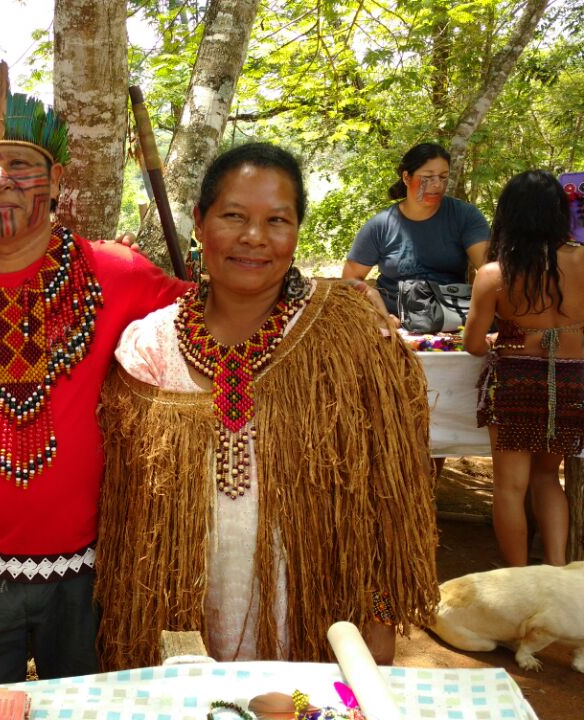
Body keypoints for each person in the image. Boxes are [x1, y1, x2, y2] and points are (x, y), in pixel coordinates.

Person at [0, 70, 191, 687]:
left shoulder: (118, 275)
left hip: (97, 569)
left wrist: (326, 300)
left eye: (21, 164)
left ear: (56, 179)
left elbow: (217, 318)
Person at [95, 143, 438, 668]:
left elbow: (388, 503)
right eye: (234, 216)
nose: (254, 238)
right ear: (200, 223)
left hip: (322, 625)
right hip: (184, 629)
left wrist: (380, 621)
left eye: (277, 220)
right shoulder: (149, 348)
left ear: (297, 229)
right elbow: (127, 515)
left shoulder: (349, 338)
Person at [465, 170, 584, 568]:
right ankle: (556, 571)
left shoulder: (495, 274)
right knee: (549, 478)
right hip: (572, 381)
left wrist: (507, 337)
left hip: (516, 382)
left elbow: (473, 344)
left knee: (510, 487)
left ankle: (518, 578)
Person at [343, 142, 490, 316]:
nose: (437, 184)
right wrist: (374, 303)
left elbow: (490, 269)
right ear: (406, 178)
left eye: (443, 177)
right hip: (395, 321)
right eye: (427, 177)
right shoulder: (380, 225)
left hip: (452, 319)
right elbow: (349, 279)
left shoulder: (465, 216)